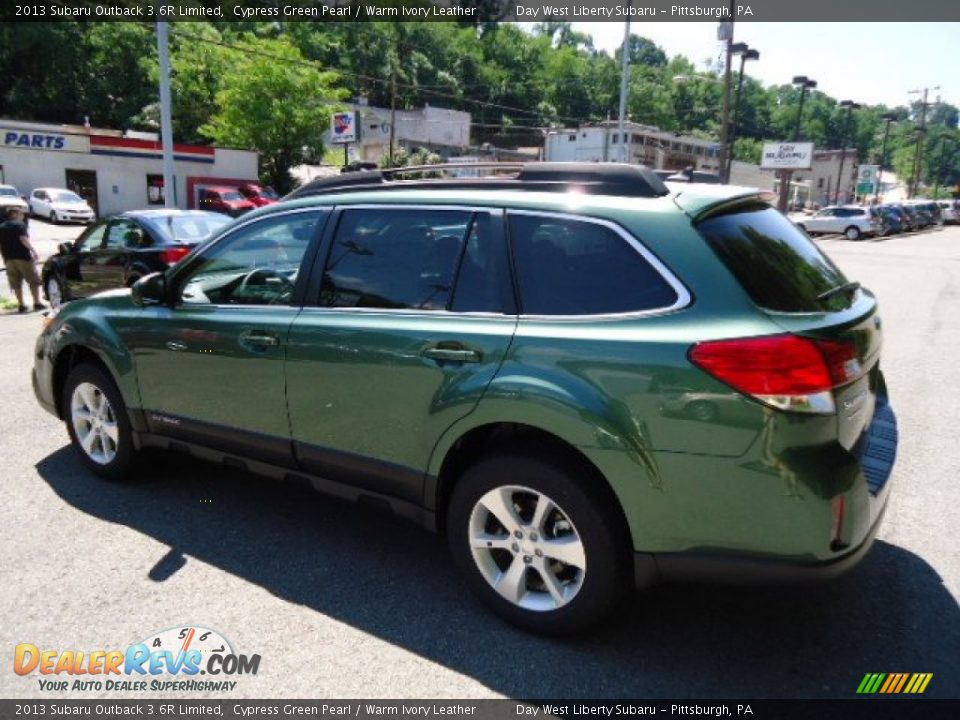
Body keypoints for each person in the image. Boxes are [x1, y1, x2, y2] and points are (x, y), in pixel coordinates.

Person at [0, 207, 45, 312]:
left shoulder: (1, 227)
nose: (23, 216)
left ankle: (21, 305)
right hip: (23, 257)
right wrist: (33, 251)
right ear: (14, 214)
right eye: (21, 213)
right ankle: (37, 303)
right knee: (33, 281)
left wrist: (4, 257)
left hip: (9, 259)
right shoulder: (20, 225)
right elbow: (23, 239)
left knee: (16, 283)